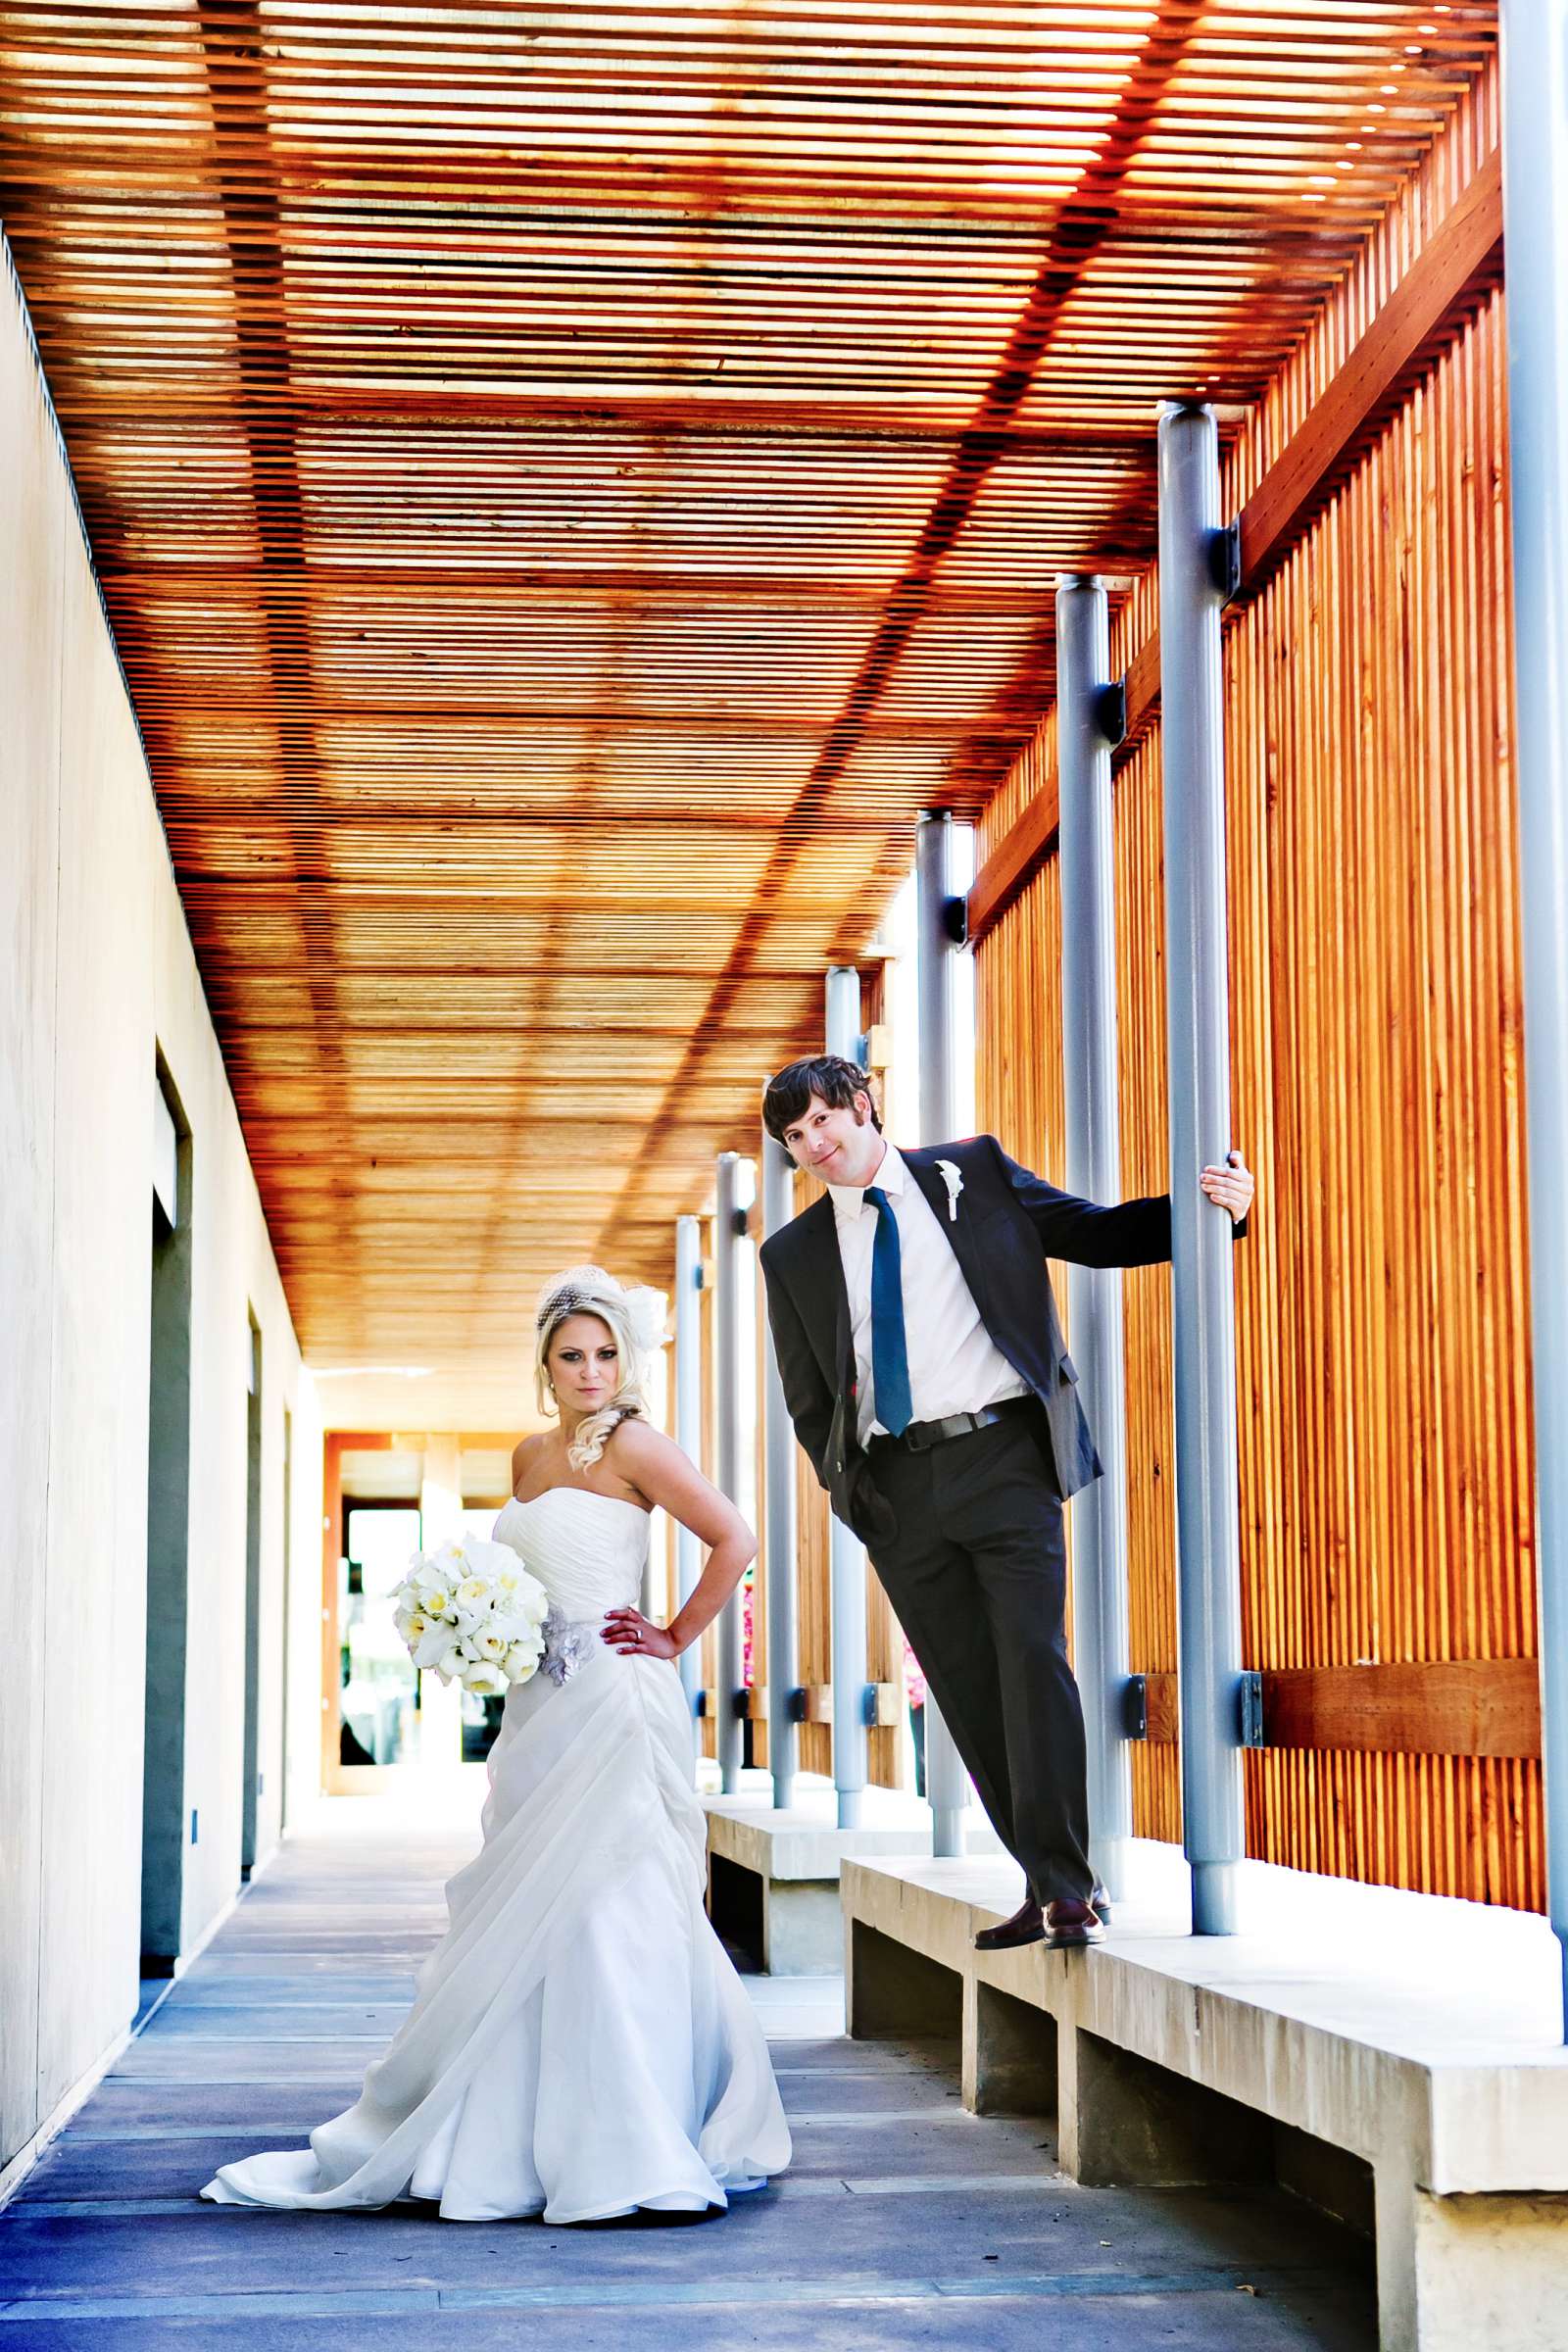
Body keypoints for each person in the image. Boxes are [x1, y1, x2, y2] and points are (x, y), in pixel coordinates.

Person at [201, 1265, 791, 2224]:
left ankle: (634, 2132)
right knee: (526, 1899)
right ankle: (508, 2127)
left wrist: (676, 1635)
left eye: (606, 1354)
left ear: (623, 1362)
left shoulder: (639, 1444)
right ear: (546, 1367)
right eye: (573, 1356)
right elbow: (519, 1574)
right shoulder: (528, 1455)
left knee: (614, 1895)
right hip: (539, 1706)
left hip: (615, 1696)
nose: (592, 1370)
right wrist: (487, 1630)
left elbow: (735, 1536)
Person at [759, 1055, 1252, 1954]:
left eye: (823, 1121)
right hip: (899, 1490)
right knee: (966, 1689)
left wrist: (1217, 1211)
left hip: (1002, 1458)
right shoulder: (790, 1255)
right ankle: (1041, 1875)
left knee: (1032, 1658)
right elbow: (808, 1395)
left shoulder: (972, 1173)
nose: (815, 1146)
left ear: (864, 1106)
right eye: (796, 1139)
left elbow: (1095, 1234)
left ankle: (1067, 1889)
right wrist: (852, 1493)